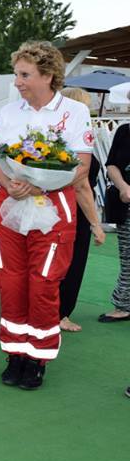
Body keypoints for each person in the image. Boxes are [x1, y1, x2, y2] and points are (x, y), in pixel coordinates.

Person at [0, 41, 93, 390]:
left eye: (24, 75)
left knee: (43, 284)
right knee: (10, 282)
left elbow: (81, 166)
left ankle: (37, 358)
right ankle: (15, 353)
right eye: (16, 74)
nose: (17, 82)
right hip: (10, 206)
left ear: (48, 75)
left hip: (53, 208)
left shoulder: (74, 112)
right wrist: (9, 184)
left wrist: (39, 186)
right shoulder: (9, 112)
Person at [57, 87, 106, 332]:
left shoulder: (57, 138)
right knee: (72, 263)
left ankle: (49, 310)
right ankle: (61, 313)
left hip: (57, 208)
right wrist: (96, 223)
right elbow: (81, 185)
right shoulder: (74, 141)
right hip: (74, 211)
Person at [102, 121, 130, 324]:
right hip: (125, 204)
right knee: (128, 256)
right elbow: (111, 164)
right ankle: (124, 304)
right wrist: (123, 187)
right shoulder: (124, 131)